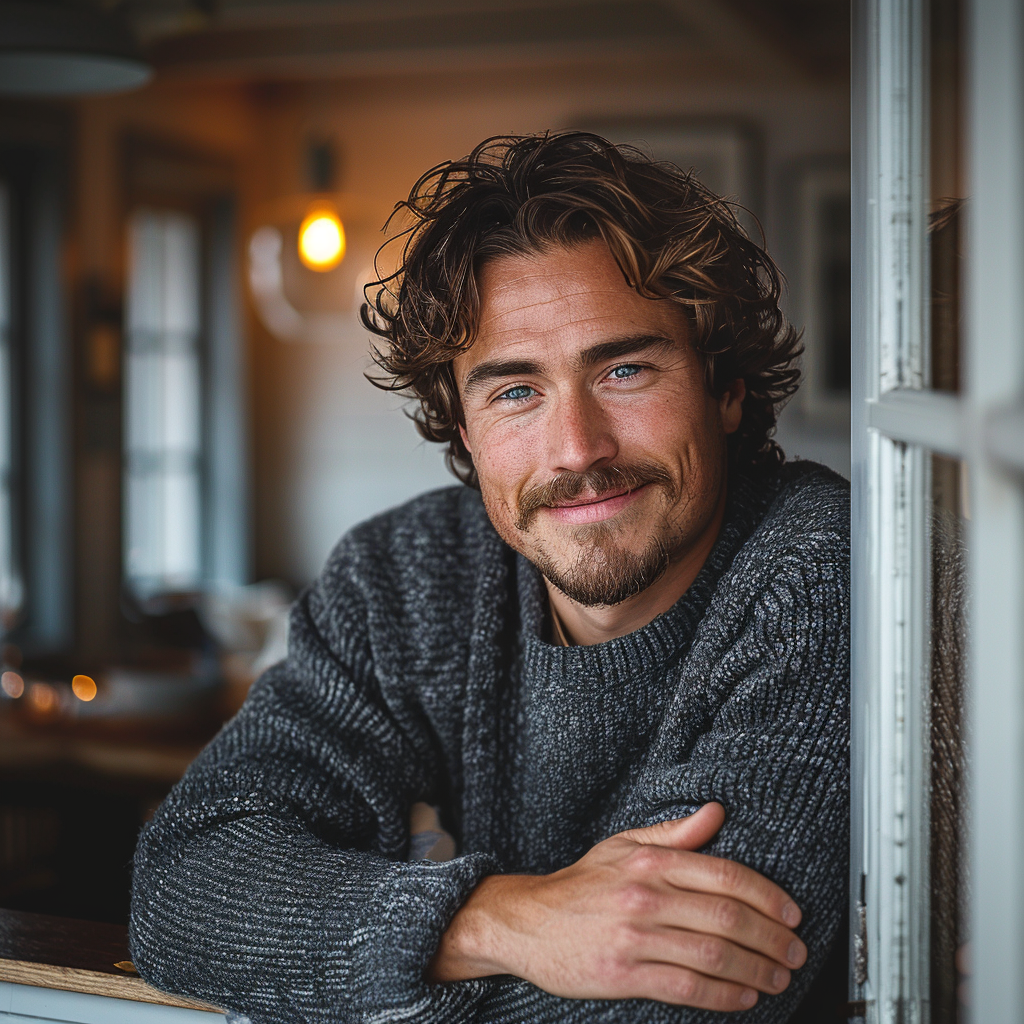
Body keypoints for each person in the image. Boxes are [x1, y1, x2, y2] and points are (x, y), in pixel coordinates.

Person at [130, 132, 849, 1024]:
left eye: (625, 369)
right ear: (463, 429)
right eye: (515, 391)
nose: (578, 448)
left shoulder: (824, 573)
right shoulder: (404, 577)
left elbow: (679, 1001)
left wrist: (351, 965)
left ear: (726, 385)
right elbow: (186, 889)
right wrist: (506, 919)